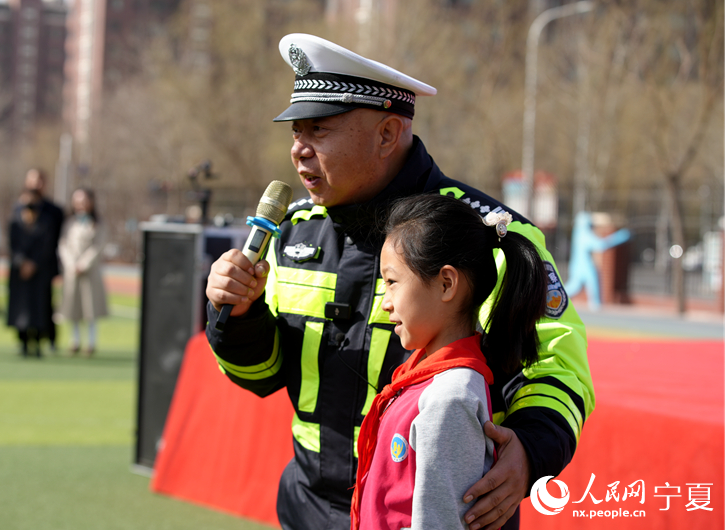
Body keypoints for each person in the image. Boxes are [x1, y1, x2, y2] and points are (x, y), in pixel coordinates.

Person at [205, 33, 593, 530]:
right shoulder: (293, 230)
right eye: (295, 131)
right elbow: (262, 375)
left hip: (436, 510)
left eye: (318, 130)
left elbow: (558, 368)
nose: (298, 150)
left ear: (388, 135)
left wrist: (531, 453)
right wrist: (238, 315)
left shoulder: (485, 235)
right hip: (308, 510)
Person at [350, 194, 548, 530]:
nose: (384, 303)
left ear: (446, 283)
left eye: (392, 282)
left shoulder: (450, 399)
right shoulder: (423, 379)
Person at [16, 168, 64, 351]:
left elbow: (54, 239)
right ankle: (23, 339)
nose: (36, 185)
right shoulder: (18, 207)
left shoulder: (54, 211)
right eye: (32, 180)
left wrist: (37, 261)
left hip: (45, 265)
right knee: (23, 303)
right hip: (23, 266)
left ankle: (49, 338)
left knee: (45, 304)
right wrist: (22, 261)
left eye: (40, 181)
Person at [58, 188, 108, 356]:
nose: (81, 204)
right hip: (72, 271)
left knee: (90, 307)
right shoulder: (69, 223)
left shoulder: (98, 223)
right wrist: (72, 264)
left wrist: (83, 264)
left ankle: (91, 342)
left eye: (84, 200)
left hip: (89, 272)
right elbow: (63, 245)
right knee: (74, 307)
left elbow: (98, 247)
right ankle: (75, 340)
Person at [8, 189, 53, 357]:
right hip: (20, 273)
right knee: (21, 308)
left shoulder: (45, 222)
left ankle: (38, 342)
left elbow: (46, 246)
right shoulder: (15, 221)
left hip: (39, 272)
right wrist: (22, 262)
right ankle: (23, 342)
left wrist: (34, 263)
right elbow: (13, 246)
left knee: (39, 307)